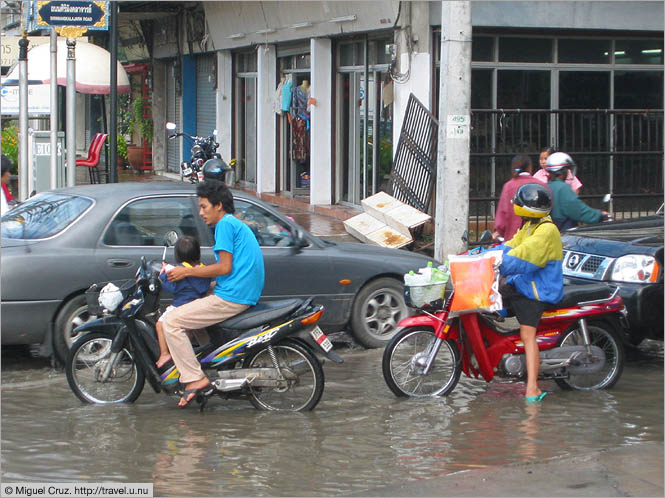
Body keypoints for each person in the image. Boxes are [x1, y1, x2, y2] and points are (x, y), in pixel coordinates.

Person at [162, 179, 265, 408]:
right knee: (194, 309)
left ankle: (195, 378)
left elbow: (224, 267)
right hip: (236, 291)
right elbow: (231, 271)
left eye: (204, 207)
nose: (200, 213)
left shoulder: (225, 226)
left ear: (218, 206)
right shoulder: (233, 224)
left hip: (233, 297)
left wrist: (187, 273)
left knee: (171, 321)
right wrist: (205, 284)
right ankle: (210, 362)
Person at [497, 183, 563, 405]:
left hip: (538, 290)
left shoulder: (546, 230)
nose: (514, 203)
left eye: (518, 201)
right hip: (523, 284)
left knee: (528, 335)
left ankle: (532, 388)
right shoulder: (528, 227)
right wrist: (480, 254)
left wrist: (499, 262)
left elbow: (524, 257)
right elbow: (509, 247)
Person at [155, 236, 211, 369]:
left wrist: (162, 275)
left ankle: (164, 354)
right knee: (196, 332)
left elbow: (171, 288)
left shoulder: (179, 271)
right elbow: (205, 286)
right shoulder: (203, 269)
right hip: (198, 305)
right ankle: (209, 352)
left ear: (178, 254)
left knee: (159, 325)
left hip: (181, 306)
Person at [545, 152, 607, 231]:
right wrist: (600, 215)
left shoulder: (546, 186)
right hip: (563, 234)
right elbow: (579, 211)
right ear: (563, 171)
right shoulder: (563, 188)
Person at [493, 155, 546, 241]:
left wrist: (500, 232)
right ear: (530, 167)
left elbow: (502, 218)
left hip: (513, 239)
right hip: (536, 239)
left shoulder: (508, 186)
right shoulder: (541, 185)